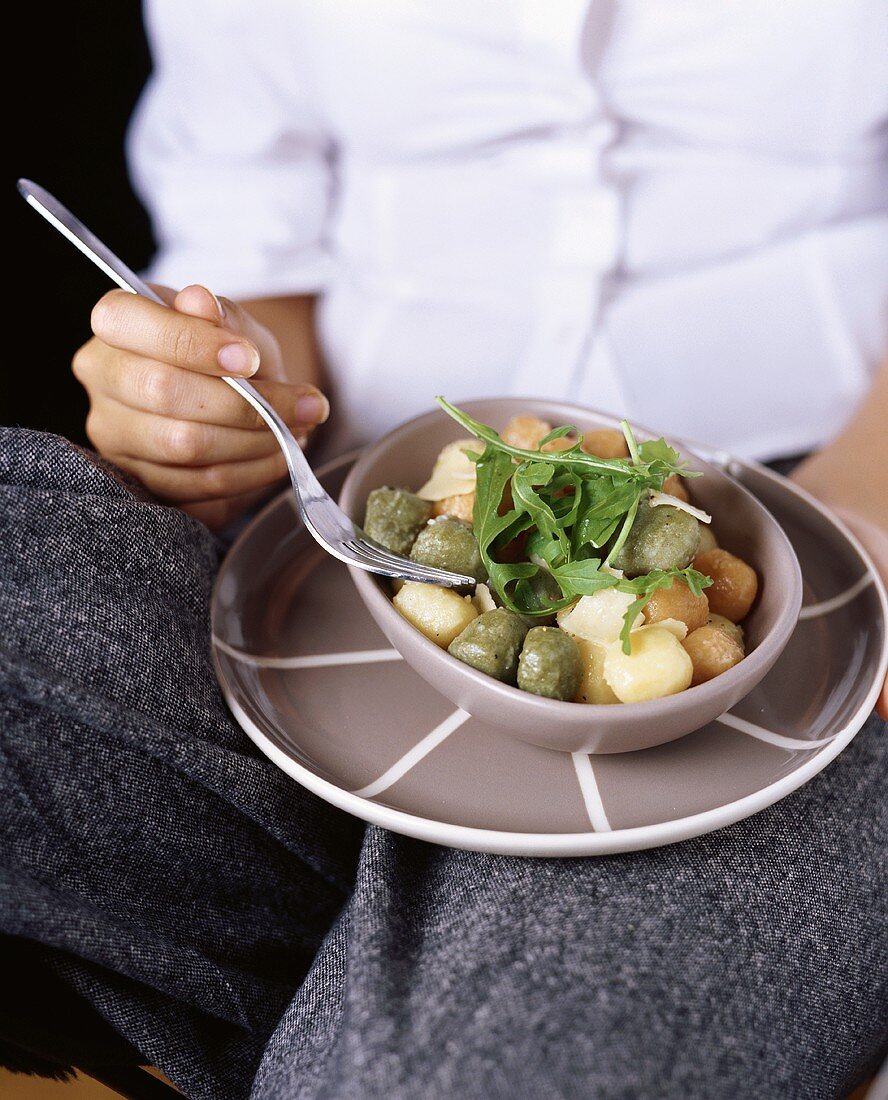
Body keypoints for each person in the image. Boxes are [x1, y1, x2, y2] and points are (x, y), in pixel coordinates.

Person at [2, 3, 886, 1097]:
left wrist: (863, 524)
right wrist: (216, 405)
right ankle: (424, 961)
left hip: (805, 528)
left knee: (455, 1075)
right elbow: (251, 207)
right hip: (349, 521)